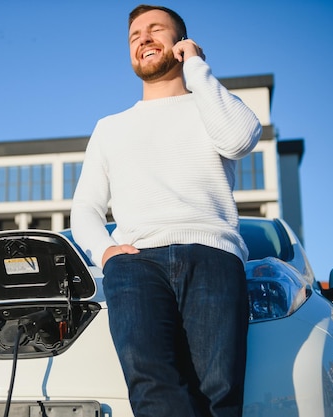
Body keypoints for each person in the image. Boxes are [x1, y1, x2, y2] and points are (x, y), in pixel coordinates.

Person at [70, 4, 262, 417]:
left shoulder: (211, 108)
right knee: (152, 387)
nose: (143, 38)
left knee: (219, 394)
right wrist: (105, 253)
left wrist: (195, 66)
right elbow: (85, 207)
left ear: (180, 43)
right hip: (136, 262)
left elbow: (241, 139)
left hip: (213, 255)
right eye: (135, 35)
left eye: (156, 29)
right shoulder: (110, 127)